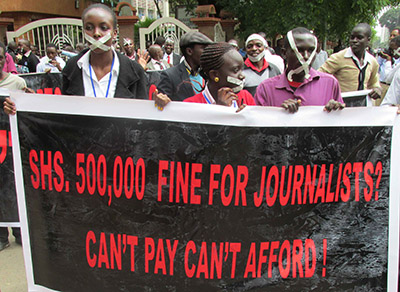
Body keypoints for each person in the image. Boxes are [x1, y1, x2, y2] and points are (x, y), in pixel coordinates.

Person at [61, 4, 148, 98]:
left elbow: (141, 109)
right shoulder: (72, 67)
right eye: (89, 28)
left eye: (104, 28)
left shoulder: (135, 71)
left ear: (114, 33)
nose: (96, 34)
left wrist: (158, 105)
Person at [255, 27, 345, 113]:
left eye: (310, 50)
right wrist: (279, 114)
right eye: (299, 50)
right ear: (284, 53)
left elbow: (341, 124)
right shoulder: (266, 89)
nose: (306, 56)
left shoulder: (330, 84)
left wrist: (335, 112)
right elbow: (257, 124)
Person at [155, 42, 255, 109]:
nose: (242, 76)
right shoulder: (190, 106)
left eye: (241, 69)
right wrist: (221, 111)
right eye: (236, 70)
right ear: (214, 74)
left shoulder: (245, 98)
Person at [0, 41, 29, 251]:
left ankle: (20, 232)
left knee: (15, 187)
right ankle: (2, 236)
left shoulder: (17, 82)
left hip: (11, 147)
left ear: (5, 59)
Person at [319, 23, 381, 101]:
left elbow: (374, 83)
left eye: (359, 38)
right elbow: (318, 77)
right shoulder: (338, 58)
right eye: (352, 38)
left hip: (363, 108)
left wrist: (377, 89)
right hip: (341, 107)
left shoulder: (372, 61)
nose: (354, 41)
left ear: (368, 40)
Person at [157, 31, 213, 101]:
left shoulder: (209, 74)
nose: (207, 52)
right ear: (189, 51)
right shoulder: (170, 76)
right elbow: (161, 103)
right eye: (204, 49)